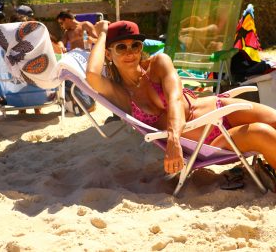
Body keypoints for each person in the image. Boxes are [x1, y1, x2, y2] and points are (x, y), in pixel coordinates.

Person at [86, 20, 276, 190]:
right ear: (108, 54)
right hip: (208, 141)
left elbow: (175, 99)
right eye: (121, 47)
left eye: (135, 45)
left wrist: (173, 140)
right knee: (261, 132)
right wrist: (102, 33)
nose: (130, 52)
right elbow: (92, 76)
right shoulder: (120, 94)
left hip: (220, 108)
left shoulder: (159, 63)